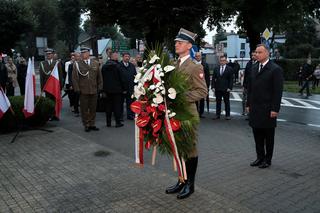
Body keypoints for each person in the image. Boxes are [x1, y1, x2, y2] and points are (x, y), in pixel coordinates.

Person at [165, 28, 207, 199]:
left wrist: (180, 97)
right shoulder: (173, 65)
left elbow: (202, 91)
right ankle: (181, 180)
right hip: (174, 114)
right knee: (179, 149)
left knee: (189, 150)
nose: (176, 44)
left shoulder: (195, 66)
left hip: (188, 115)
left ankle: (190, 185)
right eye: (175, 42)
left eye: (179, 42)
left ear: (189, 46)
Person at [246, 44, 284, 169]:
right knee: (257, 134)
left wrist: (275, 109)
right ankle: (259, 157)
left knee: (268, 136)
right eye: (256, 52)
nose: (257, 54)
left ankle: (268, 160)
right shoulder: (254, 67)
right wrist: (248, 104)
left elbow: (278, 91)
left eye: (260, 52)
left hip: (268, 109)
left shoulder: (275, 69)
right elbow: (250, 89)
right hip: (255, 108)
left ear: (267, 53)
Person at [72, 47, 103, 132]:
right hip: (83, 90)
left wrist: (100, 87)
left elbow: (99, 77)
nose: (83, 54)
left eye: (85, 52)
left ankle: (92, 124)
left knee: (93, 108)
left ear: (89, 53)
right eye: (82, 53)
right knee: (84, 109)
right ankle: (86, 124)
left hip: (94, 90)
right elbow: (74, 78)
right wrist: (77, 89)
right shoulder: (77, 64)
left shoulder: (95, 63)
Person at [101, 52, 126, 127]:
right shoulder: (118, 66)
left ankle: (108, 122)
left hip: (107, 90)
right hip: (117, 90)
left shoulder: (104, 66)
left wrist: (103, 89)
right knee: (117, 106)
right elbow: (122, 78)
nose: (117, 57)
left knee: (108, 106)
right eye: (116, 55)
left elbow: (102, 78)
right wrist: (124, 88)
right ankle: (117, 122)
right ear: (113, 57)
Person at [39, 48, 64, 120]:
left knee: (56, 100)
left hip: (55, 86)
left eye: (50, 54)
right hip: (47, 87)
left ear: (53, 55)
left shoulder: (57, 63)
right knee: (49, 101)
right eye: (47, 54)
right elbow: (42, 77)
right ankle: (50, 115)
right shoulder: (42, 64)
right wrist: (42, 88)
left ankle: (55, 115)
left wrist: (61, 86)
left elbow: (60, 75)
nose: (48, 55)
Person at [211, 55, 233, 120]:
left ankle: (227, 115)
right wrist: (213, 87)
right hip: (218, 88)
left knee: (227, 102)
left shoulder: (229, 69)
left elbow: (231, 79)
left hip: (226, 89)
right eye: (221, 61)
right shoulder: (216, 68)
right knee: (218, 102)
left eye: (223, 60)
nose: (222, 62)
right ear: (219, 61)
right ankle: (217, 115)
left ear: (226, 61)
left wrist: (230, 87)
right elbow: (213, 78)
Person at [119, 52, 136, 120]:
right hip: (122, 88)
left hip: (130, 87)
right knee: (120, 103)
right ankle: (120, 116)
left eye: (128, 56)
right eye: (125, 56)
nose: (127, 58)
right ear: (122, 57)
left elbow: (135, 76)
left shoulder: (132, 66)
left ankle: (130, 115)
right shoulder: (119, 65)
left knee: (130, 102)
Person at [194, 52, 210, 118]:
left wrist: (207, 86)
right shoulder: (193, 64)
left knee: (202, 99)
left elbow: (207, 76)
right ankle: (195, 112)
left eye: (199, 56)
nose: (198, 57)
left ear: (201, 57)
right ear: (195, 57)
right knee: (195, 99)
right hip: (194, 84)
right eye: (196, 56)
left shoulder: (205, 65)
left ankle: (201, 113)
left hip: (202, 85)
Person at [242, 52, 257, 116]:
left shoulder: (259, 63)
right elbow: (246, 75)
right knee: (245, 99)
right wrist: (244, 85)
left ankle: (253, 114)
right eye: (252, 55)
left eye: (254, 55)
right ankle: (246, 112)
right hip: (247, 85)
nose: (253, 56)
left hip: (255, 86)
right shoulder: (249, 63)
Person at [68, 52, 81, 116]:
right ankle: (76, 110)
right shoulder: (71, 65)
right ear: (75, 57)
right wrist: (71, 85)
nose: (78, 57)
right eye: (77, 56)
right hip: (75, 84)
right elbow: (69, 76)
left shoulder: (82, 64)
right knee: (76, 97)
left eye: (79, 56)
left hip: (82, 84)